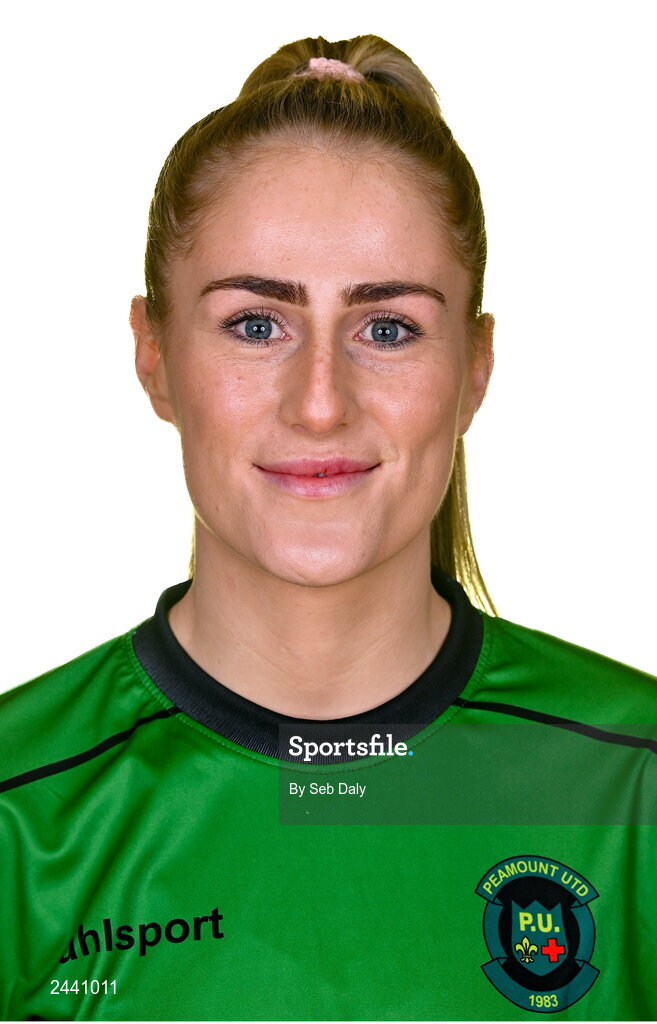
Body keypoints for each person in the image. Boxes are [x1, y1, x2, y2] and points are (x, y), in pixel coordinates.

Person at [1, 32, 655, 1023]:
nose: (320, 403)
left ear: (475, 368)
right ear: (154, 356)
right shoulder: (20, 815)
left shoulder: (633, 785)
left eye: (387, 327)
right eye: (256, 324)